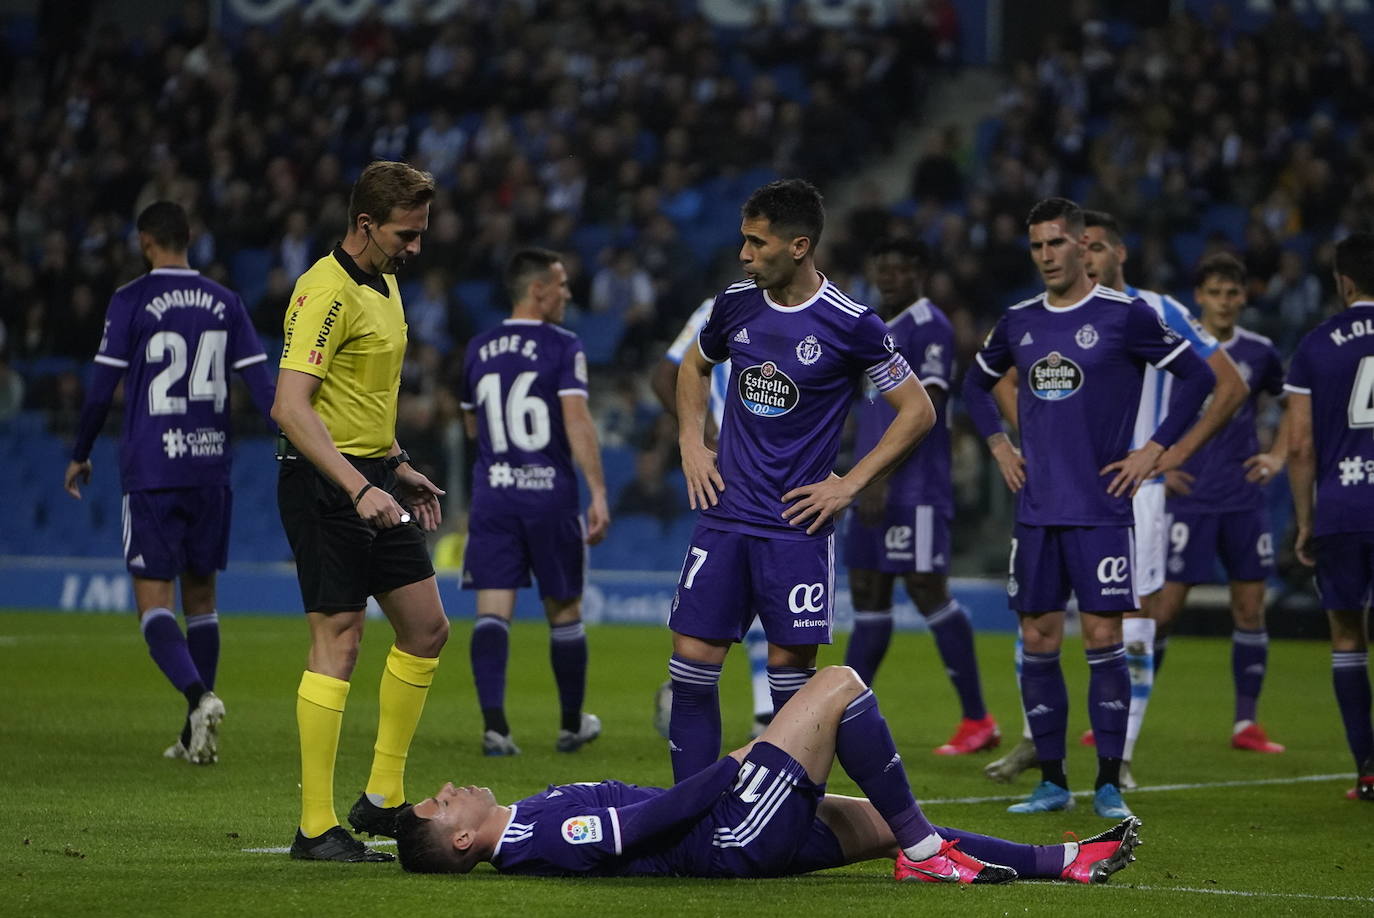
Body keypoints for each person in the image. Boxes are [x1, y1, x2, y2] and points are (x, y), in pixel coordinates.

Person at [394, 665, 1142, 885]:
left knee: (890, 823)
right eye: (440, 804)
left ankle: (1067, 862)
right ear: (461, 841)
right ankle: (925, 858)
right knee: (838, 684)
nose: (448, 788)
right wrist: (732, 764)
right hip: (729, 839)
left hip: (729, 831)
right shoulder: (535, 837)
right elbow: (645, 824)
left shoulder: (524, 824)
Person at [670, 179, 935, 783]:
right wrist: (691, 441)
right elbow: (693, 362)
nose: (743, 254)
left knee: (793, 684)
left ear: (798, 246)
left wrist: (850, 484)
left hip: (795, 527)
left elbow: (918, 410)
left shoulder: (852, 323)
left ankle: (778, 819)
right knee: (690, 666)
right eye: (743, 240)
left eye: (755, 243)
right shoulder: (735, 302)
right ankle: (687, 814)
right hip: (725, 513)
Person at [963, 198, 1216, 819]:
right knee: (1038, 637)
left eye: (1056, 243)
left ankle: (1106, 783)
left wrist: (1153, 451)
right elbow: (974, 384)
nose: (1046, 255)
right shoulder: (1019, 321)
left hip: (1102, 509)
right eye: (1037, 246)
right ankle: (1051, 781)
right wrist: (999, 445)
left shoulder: (1124, 316)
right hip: (1038, 510)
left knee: (1104, 637)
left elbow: (1200, 380)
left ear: (1084, 246)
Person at [272, 161, 450, 862]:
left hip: (375, 476)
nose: (416, 247)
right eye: (406, 234)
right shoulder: (324, 290)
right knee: (341, 638)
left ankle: (380, 799)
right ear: (366, 224)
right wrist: (357, 485)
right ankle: (315, 827)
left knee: (427, 629)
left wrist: (397, 465)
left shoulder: (388, 284)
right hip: (327, 483)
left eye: (422, 233)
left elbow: (363, 395)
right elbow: (290, 408)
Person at [63, 200, 276, 766]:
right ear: (190, 239)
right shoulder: (226, 301)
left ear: (144, 242)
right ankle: (193, 735)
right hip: (210, 468)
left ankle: (198, 699)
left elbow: (99, 390)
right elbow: (262, 386)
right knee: (202, 599)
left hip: (153, 470)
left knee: (152, 604)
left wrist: (80, 453)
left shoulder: (131, 299)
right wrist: (295, 443)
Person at [842, 238, 998, 755]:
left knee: (927, 588)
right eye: (881, 266)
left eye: (900, 268)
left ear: (920, 273)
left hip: (914, 488)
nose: (888, 277)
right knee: (868, 592)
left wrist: (880, 478)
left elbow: (925, 409)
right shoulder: (873, 325)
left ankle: (978, 718)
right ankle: (842, 713)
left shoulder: (930, 326)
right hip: (870, 482)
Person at [459, 247, 610, 757]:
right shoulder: (564, 347)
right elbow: (576, 421)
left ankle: (495, 728)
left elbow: (471, 426)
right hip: (549, 496)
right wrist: (599, 491)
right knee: (564, 609)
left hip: (494, 495)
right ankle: (570, 725)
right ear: (538, 290)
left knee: (492, 611)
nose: (568, 293)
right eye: (562, 285)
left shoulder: (477, 348)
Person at [1156, 253, 1287, 754]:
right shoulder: (1173, 349)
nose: (1225, 302)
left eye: (1233, 293)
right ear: (1199, 299)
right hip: (1187, 497)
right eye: (1215, 292)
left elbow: (1294, 402)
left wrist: (1276, 455)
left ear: (1244, 297)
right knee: (1164, 611)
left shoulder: (1260, 352)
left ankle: (1245, 723)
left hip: (1242, 499)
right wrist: (1158, 466)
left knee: (1250, 607)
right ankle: (1129, 712)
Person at [650, 295, 775, 741]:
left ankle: (757, 707)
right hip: (733, 473)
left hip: (773, 471)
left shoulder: (805, 309)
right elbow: (666, 375)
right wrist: (702, 438)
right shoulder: (717, 307)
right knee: (736, 588)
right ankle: (705, 689)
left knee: (758, 589)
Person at [1285, 231, 1374, 802]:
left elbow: (1298, 445)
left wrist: (1304, 520)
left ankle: (1367, 769)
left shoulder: (1317, 343)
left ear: (1343, 281)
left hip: (1342, 507)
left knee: (1346, 635)